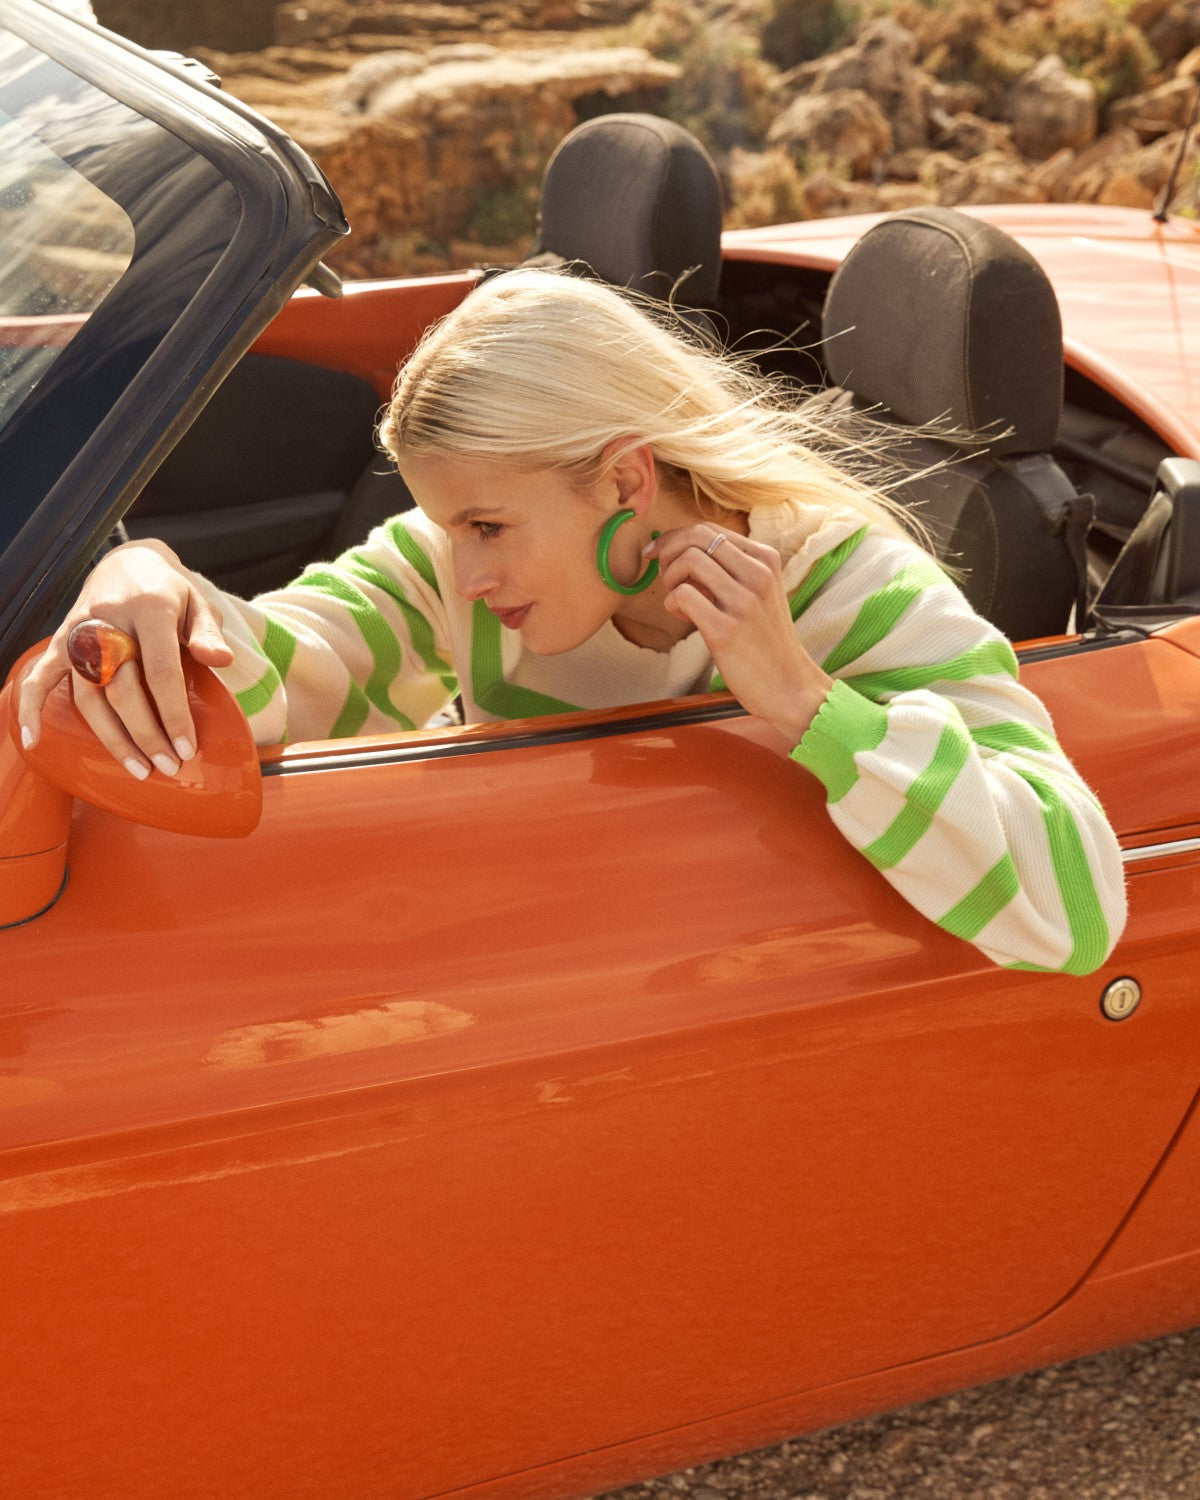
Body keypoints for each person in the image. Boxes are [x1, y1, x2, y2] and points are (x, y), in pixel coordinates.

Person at [18, 267, 1125, 973]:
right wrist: (151, 583)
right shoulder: (454, 572)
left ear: (626, 480)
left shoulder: (850, 592)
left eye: (490, 527)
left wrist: (805, 703)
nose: (461, 569)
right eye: (446, 526)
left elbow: (1076, 907)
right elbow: (299, 670)